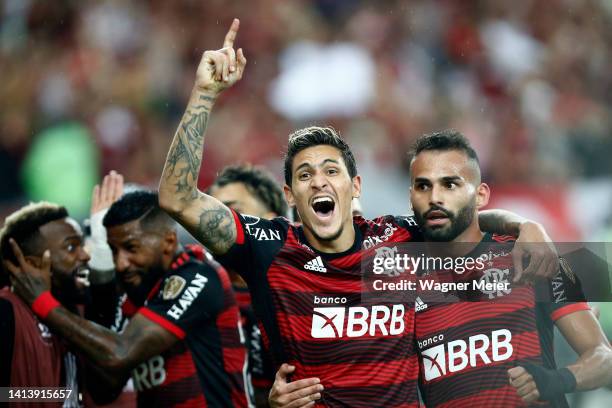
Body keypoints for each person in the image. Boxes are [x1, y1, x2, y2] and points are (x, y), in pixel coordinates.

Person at [157, 18, 559, 407]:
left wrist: (526, 225)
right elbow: (177, 198)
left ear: (356, 187)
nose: (318, 182)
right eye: (304, 175)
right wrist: (205, 95)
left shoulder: (399, 239)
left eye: (331, 171)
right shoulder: (271, 247)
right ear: (291, 195)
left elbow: (457, 217)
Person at [272, 130, 612, 407]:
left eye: (450, 184)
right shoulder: (397, 277)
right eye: (424, 186)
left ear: (480, 195)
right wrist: (285, 398)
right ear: (410, 197)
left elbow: (603, 358)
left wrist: (557, 380)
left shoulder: (535, 258)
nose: (435, 197)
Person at [6, 190, 252, 408]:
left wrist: (43, 302)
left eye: (131, 248)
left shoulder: (197, 275)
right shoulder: (131, 295)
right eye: (113, 251)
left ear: (168, 241)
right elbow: (104, 389)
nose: (120, 263)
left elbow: (120, 353)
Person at [208, 163, 287, 407]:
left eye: (231, 212)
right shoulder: (199, 288)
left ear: (272, 222)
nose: (216, 224)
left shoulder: (302, 286)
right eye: (210, 214)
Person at [0, 202, 86, 407]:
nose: (85, 255)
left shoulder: (75, 308)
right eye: (71, 247)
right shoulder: (6, 311)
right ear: (31, 264)